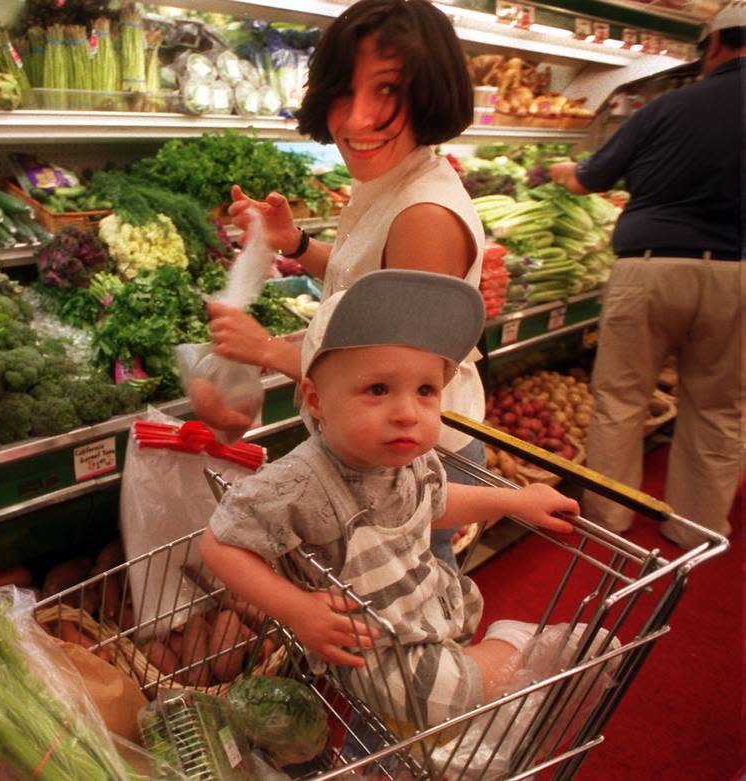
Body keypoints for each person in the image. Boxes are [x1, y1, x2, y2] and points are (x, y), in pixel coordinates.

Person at [200, 271, 580, 730]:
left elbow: (437, 504)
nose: (406, 413)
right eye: (378, 390)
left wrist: (514, 501)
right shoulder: (299, 481)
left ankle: (502, 655)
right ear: (317, 400)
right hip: (371, 650)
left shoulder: (408, 458)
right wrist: (296, 610)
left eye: (426, 391)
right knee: (437, 700)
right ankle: (516, 651)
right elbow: (219, 545)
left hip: (418, 612)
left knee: (439, 693)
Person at [193, 0, 485, 569]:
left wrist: (269, 350)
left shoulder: (425, 214)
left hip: (416, 452)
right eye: (343, 92)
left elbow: (390, 376)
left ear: (430, 91)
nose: (356, 120)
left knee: (414, 608)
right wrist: (297, 244)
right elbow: (372, 283)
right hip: (382, 443)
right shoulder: (395, 181)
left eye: (387, 91)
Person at [548, 2, 744, 548]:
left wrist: (564, 171)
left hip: (652, 267)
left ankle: (610, 518)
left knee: (621, 396)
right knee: (720, 408)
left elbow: (590, 181)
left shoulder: (669, 107)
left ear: (714, 46)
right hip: (737, 274)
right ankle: (695, 527)